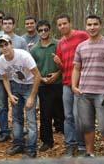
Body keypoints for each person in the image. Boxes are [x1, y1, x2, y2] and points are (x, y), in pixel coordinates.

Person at [72, 15, 104, 157]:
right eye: (89, 24)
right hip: (83, 93)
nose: (92, 27)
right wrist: (73, 86)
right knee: (87, 127)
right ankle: (90, 154)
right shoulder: (81, 46)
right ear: (85, 26)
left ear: (100, 25)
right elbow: (76, 68)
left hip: (103, 94)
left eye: (95, 24)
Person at [0, 35, 41, 158]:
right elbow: (5, 78)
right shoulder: (1, 60)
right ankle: (18, 144)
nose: (4, 48)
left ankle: (31, 149)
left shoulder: (23, 56)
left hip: (30, 86)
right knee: (16, 117)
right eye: (1, 46)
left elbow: (37, 76)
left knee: (31, 119)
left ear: (11, 44)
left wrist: (32, 97)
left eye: (6, 44)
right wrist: (10, 94)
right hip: (16, 86)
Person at [54, 14, 89, 157]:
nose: (62, 26)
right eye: (60, 25)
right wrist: (59, 63)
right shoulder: (60, 43)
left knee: (78, 115)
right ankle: (70, 144)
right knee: (68, 116)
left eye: (64, 23)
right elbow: (63, 68)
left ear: (70, 23)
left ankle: (81, 145)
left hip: (82, 83)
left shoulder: (82, 36)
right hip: (66, 83)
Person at [30, 20, 64, 152]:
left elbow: (65, 62)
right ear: (37, 32)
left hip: (59, 83)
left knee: (62, 112)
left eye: (45, 29)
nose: (43, 32)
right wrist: (41, 78)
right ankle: (47, 141)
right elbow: (32, 68)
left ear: (50, 30)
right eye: (40, 30)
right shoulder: (34, 49)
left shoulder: (58, 44)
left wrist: (57, 74)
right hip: (43, 85)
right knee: (45, 113)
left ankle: (68, 137)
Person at [0, 15, 28, 142]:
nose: (7, 25)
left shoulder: (20, 41)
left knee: (17, 105)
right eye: (5, 23)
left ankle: (18, 130)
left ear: (14, 25)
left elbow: (26, 60)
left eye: (10, 23)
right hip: (2, 79)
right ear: (2, 25)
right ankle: (4, 131)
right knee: (1, 105)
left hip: (17, 79)